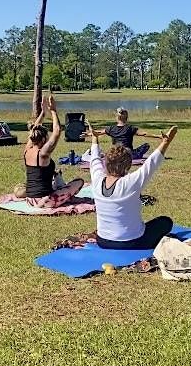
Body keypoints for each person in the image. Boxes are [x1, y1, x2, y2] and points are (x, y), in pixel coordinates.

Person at [88, 121, 178, 250]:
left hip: (102, 241)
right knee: (165, 222)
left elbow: (94, 159)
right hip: (132, 242)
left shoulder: (97, 179)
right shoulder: (131, 182)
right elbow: (151, 163)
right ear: (128, 166)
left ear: (106, 163)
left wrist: (94, 139)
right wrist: (165, 142)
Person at [23, 95, 85, 208]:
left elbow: (34, 130)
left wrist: (43, 112)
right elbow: (57, 130)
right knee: (79, 181)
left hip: (29, 200)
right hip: (45, 201)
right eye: (46, 137)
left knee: (56, 177)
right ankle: (66, 197)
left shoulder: (27, 151)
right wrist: (53, 110)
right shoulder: (43, 154)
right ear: (43, 140)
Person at [86, 107, 164, 159]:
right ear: (126, 118)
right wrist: (158, 136)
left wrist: (89, 133)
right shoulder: (130, 128)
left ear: (117, 118)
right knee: (146, 145)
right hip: (128, 154)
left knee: (108, 152)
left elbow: (97, 133)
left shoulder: (111, 128)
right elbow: (144, 134)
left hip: (116, 153)